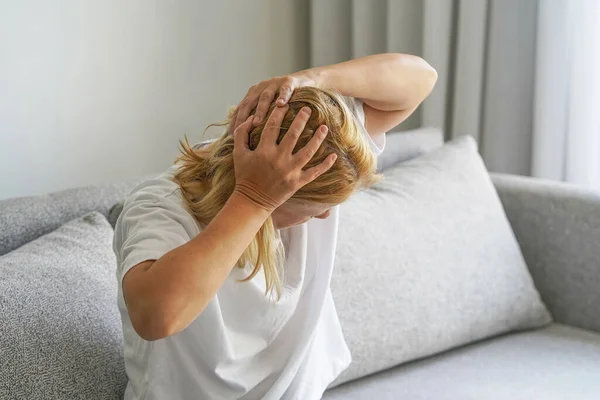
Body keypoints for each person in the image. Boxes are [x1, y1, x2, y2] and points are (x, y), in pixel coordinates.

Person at [113, 53, 437, 400]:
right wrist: (253, 200)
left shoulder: (311, 155)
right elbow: (155, 317)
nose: (324, 218)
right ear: (278, 185)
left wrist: (310, 80)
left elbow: (421, 79)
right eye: (312, 210)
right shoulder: (161, 207)